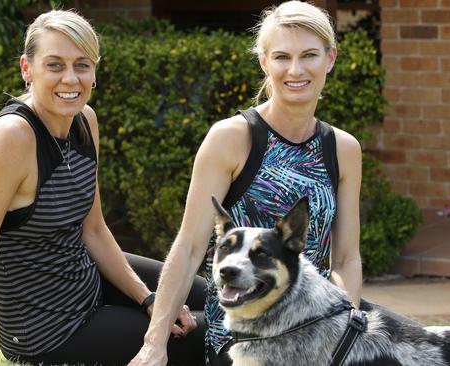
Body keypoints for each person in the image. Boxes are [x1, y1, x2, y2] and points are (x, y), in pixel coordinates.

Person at [0, 9, 206, 366]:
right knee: (220, 332)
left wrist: (148, 298)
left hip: (85, 279)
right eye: (55, 65)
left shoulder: (85, 121)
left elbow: (93, 230)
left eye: (82, 65)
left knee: (218, 301)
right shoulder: (7, 141)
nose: (71, 79)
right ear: (26, 70)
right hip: (48, 330)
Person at [130, 2, 369, 365]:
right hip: (243, 337)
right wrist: (155, 342)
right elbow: (190, 248)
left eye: (309, 56)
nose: (295, 70)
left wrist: (341, 333)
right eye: (282, 57)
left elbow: (347, 258)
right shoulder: (231, 138)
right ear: (264, 62)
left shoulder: (343, 148)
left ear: (330, 58)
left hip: (315, 327)